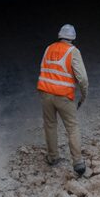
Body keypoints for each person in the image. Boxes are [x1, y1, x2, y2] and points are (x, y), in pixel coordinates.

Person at [37, 24, 89, 177]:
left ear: (60, 35)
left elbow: (43, 68)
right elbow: (83, 78)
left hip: (46, 93)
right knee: (72, 127)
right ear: (73, 38)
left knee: (50, 124)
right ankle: (78, 162)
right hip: (64, 96)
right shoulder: (73, 51)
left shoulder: (48, 48)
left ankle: (53, 157)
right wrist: (83, 95)